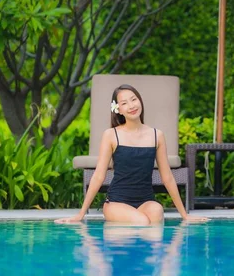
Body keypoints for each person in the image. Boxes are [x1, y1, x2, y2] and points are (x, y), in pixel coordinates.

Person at [56, 84, 208, 225]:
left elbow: (167, 177)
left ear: (140, 101)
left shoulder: (157, 135)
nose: (131, 106)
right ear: (118, 110)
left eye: (133, 99)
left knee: (156, 214)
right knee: (141, 222)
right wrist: (80, 214)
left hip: (146, 201)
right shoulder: (111, 135)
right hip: (116, 203)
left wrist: (185, 215)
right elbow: (98, 176)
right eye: (124, 103)